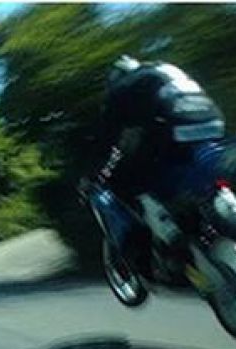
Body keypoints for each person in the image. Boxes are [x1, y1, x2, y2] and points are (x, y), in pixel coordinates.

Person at [86, 55, 226, 253]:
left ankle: (168, 231)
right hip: (214, 124)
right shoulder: (166, 70)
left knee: (131, 180)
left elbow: (108, 139)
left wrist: (97, 171)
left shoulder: (120, 90)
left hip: (175, 128)